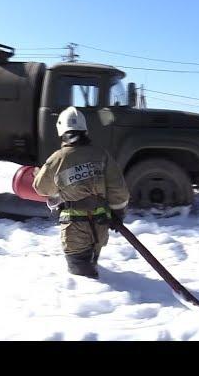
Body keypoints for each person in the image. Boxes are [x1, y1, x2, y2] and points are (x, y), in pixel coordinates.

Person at [32, 106, 130, 279]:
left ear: (61, 131)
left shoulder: (58, 158)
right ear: (85, 129)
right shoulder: (101, 155)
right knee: (92, 267)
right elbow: (118, 189)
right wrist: (118, 213)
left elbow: (41, 188)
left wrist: (41, 175)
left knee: (81, 280)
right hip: (100, 225)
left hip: (74, 229)